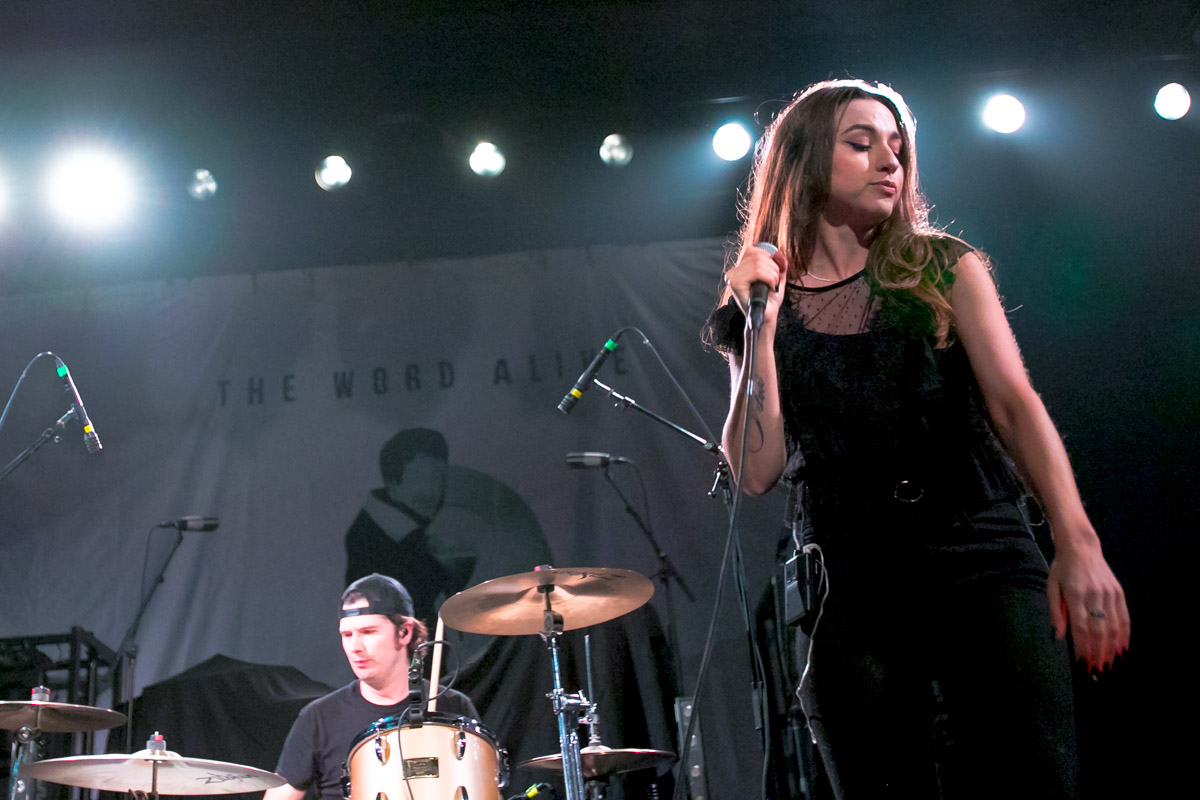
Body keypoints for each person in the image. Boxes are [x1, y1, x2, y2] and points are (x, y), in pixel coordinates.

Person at [705, 79, 1130, 798]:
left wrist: (1078, 541)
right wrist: (760, 329)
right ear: (806, 160)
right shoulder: (761, 300)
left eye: (897, 147)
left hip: (980, 551)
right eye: (861, 143)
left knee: (1034, 778)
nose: (888, 162)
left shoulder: (943, 266)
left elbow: (1015, 405)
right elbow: (755, 468)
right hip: (856, 574)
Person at [344, 427, 552, 663]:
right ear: (394, 480)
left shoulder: (423, 528)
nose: (435, 485)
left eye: (440, 475)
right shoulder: (376, 537)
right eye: (424, 474)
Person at [264, 573, 480, 800]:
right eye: (347, 635)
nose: (355, 646)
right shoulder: (318, 718)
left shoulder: (453, 706)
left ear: (404, 632)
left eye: (368, 632)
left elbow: (484, 788)